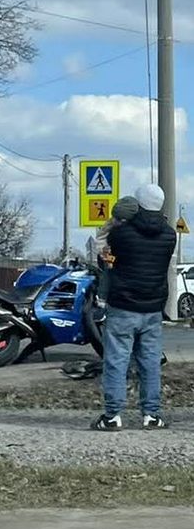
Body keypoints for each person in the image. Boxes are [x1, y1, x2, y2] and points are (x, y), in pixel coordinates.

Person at [92, 184, 176, 431]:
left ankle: (112, 416)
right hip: (153, 308)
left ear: (138, 205)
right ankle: (152, 415)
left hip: (123, 307)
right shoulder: (170, 235)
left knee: (117, 361)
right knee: (149, 363)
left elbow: (106, 260)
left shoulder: (120, 235)